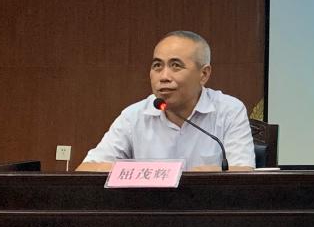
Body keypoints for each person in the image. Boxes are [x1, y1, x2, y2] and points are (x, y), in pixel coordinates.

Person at [77, 31, 256, 171]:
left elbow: (243, 172)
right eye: (157, 66)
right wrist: (144, 173)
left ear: (204, 74)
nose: (164, 77)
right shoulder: (134, 116)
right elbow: (86, 169)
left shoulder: (228, 110)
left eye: (175, 66)